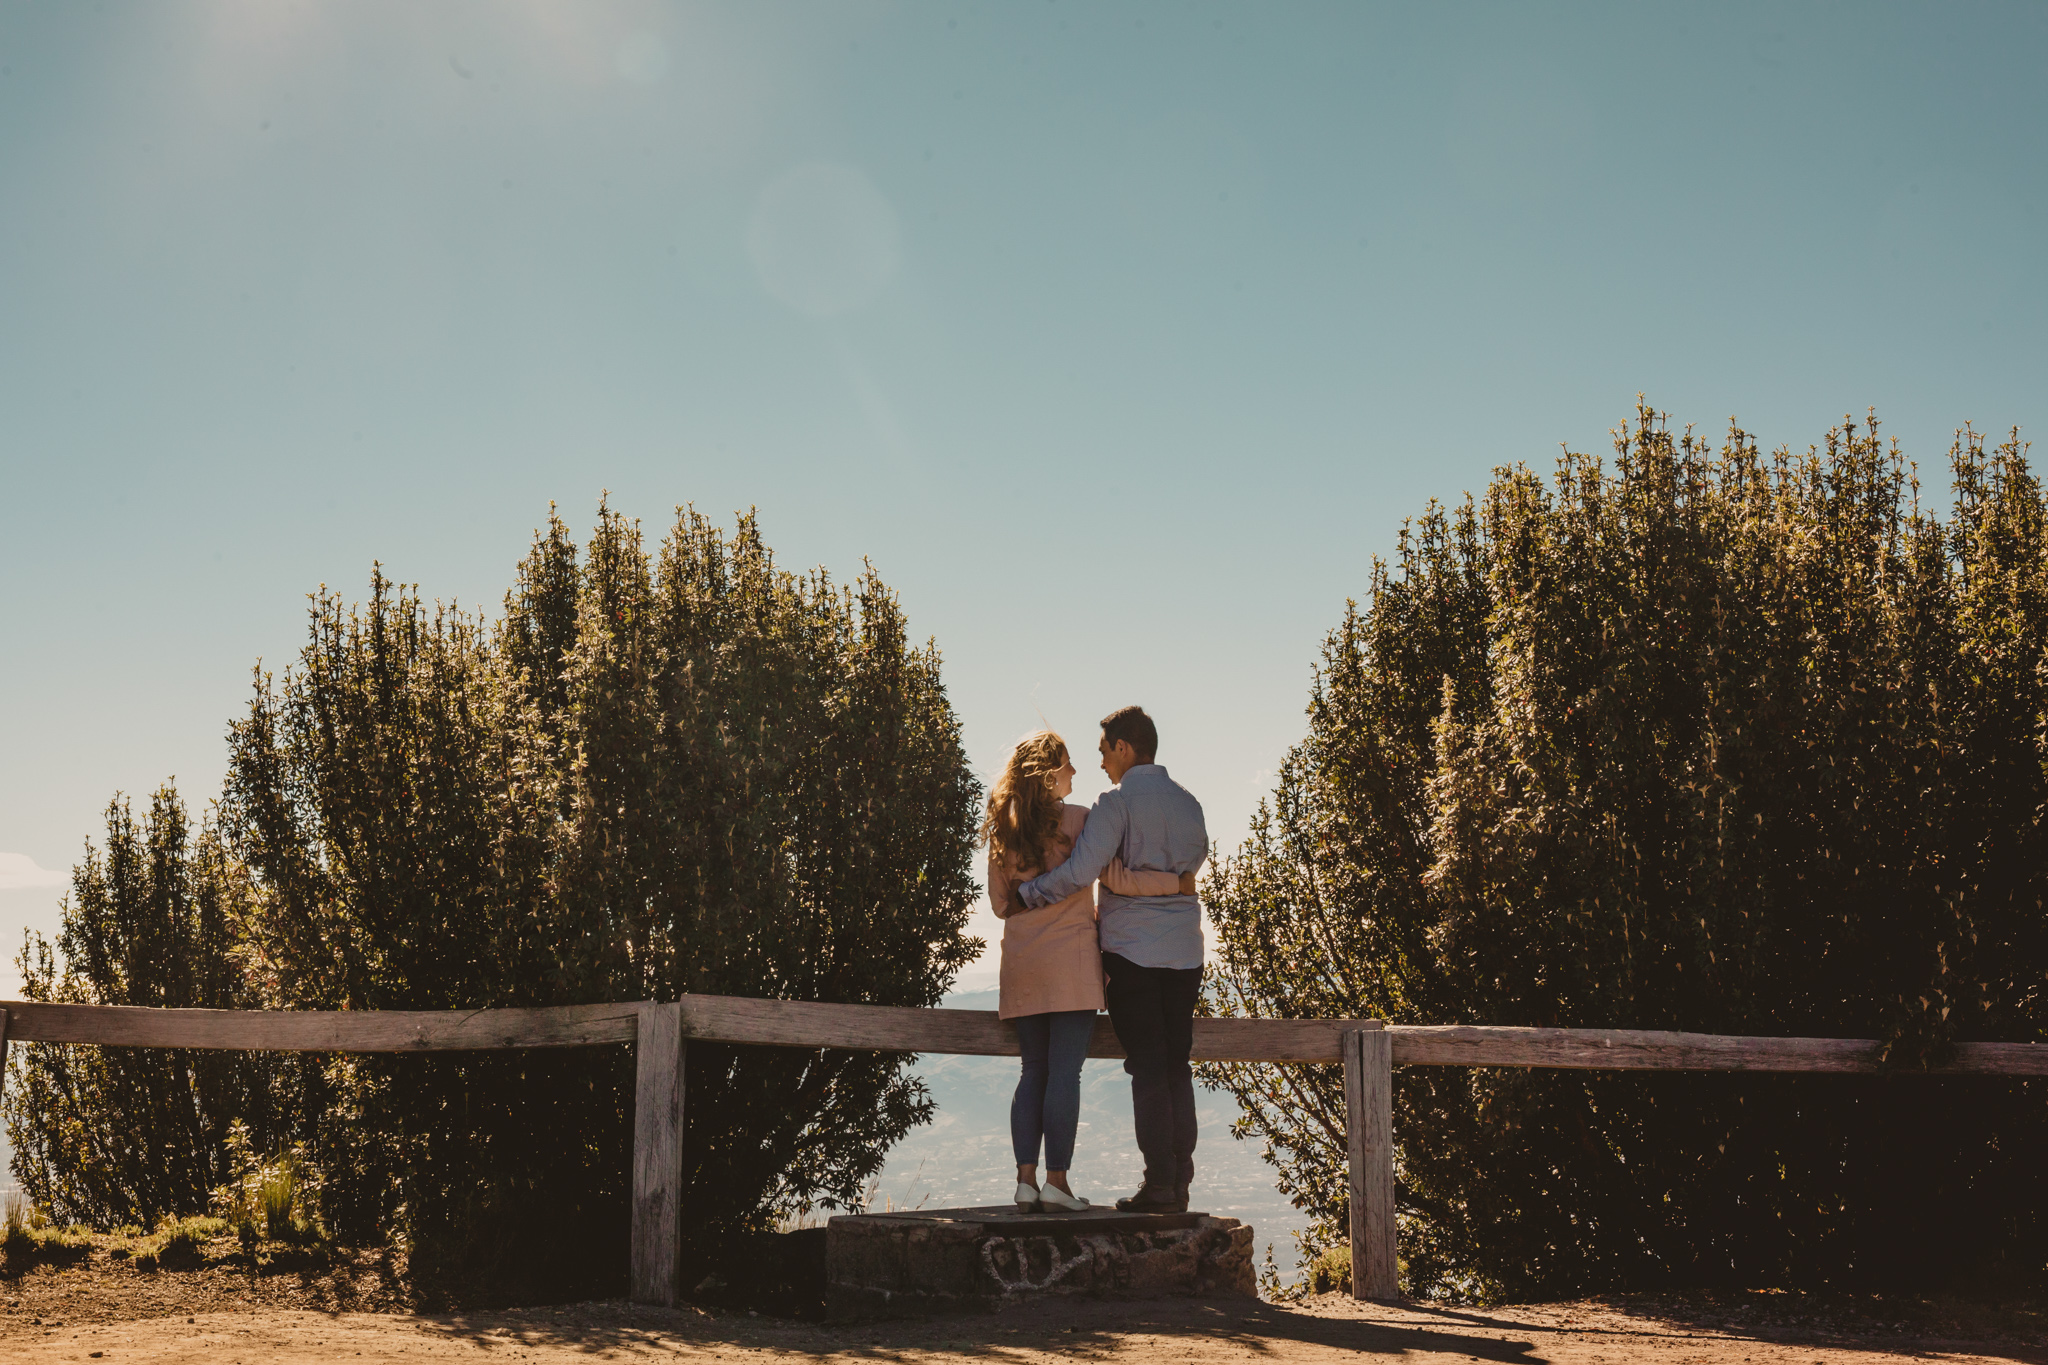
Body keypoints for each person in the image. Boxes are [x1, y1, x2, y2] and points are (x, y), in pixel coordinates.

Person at [983, 730, 1195, 1213]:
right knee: (1065, 1073)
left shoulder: (1003, 829)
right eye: (1067, 764)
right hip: (1073, 964)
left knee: (1032, 1069)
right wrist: (1174, 884)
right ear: (1048, 773)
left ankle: (1025, 1180)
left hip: (1021, 966)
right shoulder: (1080, 821)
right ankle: (1057, 1180)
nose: (1076, 772)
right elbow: (1112, 877)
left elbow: (1000, 905)